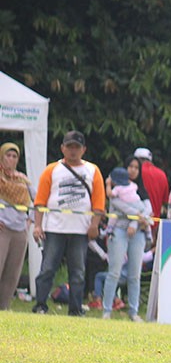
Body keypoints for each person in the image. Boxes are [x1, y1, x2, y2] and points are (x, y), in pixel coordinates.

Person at [31, 130, 106, 316]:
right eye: (69, 147)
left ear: (84, 149)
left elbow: (99, 203)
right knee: (47, 268)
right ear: (62, 148)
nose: (73, 151)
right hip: (54, 227)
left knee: (78, 272)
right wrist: (38, 225)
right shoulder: (51, 170)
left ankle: (75, 309)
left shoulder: (93, 171)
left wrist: (94, 225)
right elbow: (40, 201)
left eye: (77, 147)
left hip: (80, 229)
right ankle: (40, 304)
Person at [101, 158, 153, 321]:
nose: (132, 170)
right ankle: (106, 311)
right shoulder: (117, 190)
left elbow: (148, 211)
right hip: (118, 230)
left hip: (137, 233)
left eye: (136, 167)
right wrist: (138, 218)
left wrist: (135, 221)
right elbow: (120, 206)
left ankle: (133, 311)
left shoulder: (141, 193)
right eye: (130, 166)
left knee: (134, 274)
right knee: (114, 271)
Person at [0, 142, 35, 310]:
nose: (11, 159)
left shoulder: (23, 179)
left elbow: (38, 202)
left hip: (20, 230)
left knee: (12, 272)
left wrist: (30, 221)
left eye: (15, 156)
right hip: (2, 228)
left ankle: (4, 307)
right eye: (8, 155)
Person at [133, 147, 169, 221]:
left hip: (137, 220)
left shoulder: (135, 172)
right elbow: (165, 201)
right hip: (154, 221)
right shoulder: (162, 174)